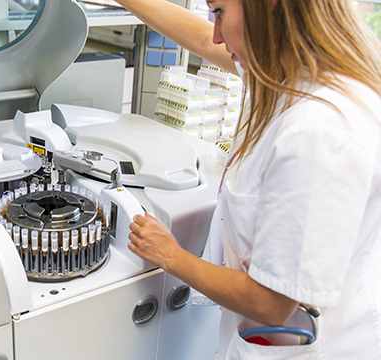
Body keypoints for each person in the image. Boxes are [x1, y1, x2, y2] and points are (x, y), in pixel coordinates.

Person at [116, 0, 381, 358]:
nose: (216, 32)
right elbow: (207, 43)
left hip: (309, 343)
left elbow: (270, 302)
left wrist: (171, 255)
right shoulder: (282, 68)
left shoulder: (318, 132)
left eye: (220, 12)